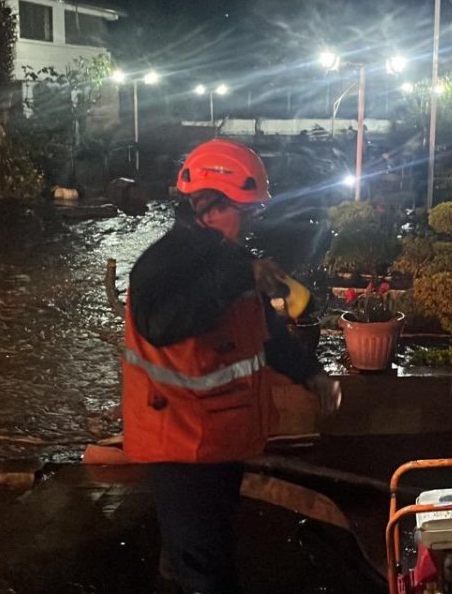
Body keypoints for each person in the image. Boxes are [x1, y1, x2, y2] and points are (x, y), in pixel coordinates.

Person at [122, 138, 341, 593]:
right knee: (207, 570)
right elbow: (161, 323)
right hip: (180, 445)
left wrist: (310, 372)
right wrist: (241, 277)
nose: (250, 222)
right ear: (208, 205)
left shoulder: (229, 258)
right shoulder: (161, 264)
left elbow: (264, 331)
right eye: (245, 210)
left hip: (217, 439)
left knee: (197, 555)